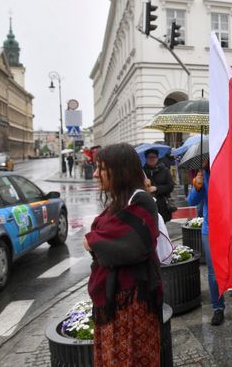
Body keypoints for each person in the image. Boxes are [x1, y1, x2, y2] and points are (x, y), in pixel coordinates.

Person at [83, 143, 163, 366]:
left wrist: (93, 240)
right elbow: (109, 237)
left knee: (132, 357)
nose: (96, 173)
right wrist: (98, 241)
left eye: (101, 168)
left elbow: (134, 245)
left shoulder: (141, 200)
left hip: (133, 301)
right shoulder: (118, 201)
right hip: (114, 301)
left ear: (119, 171)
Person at [187, 159, 232, 326]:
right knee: (214, 270)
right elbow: (191, 201)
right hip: (211, 228)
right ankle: (218, 308)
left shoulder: (231, 167)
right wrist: (197, 185)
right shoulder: (204, 174)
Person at [143, 149, 175, 222]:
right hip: (147, 205)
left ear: (157, 158)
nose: (152, 159)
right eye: (149, 157)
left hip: (162, 205)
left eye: (154, 157)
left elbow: (170, 186)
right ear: (146, 158)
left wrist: (156, 188)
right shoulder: (142, 172)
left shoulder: (165, 170)